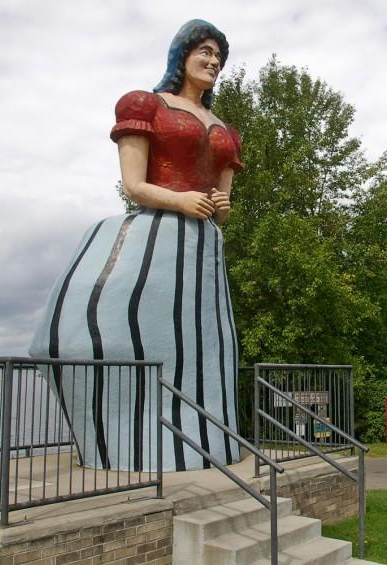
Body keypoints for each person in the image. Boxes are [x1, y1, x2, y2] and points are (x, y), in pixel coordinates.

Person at [30, 19, 241, 472]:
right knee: (106, 331)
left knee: (206, 349)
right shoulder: (146, 105)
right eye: (205, 51)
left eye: (218, 57)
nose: (213, 62)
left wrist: (218, 204)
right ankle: (126, 442)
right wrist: (181, 200)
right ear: (181, 54)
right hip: (155, 235)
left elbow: (221, 206)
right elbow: (134, 185)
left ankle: (205, 441)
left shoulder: (226, 129)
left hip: (203, 248)